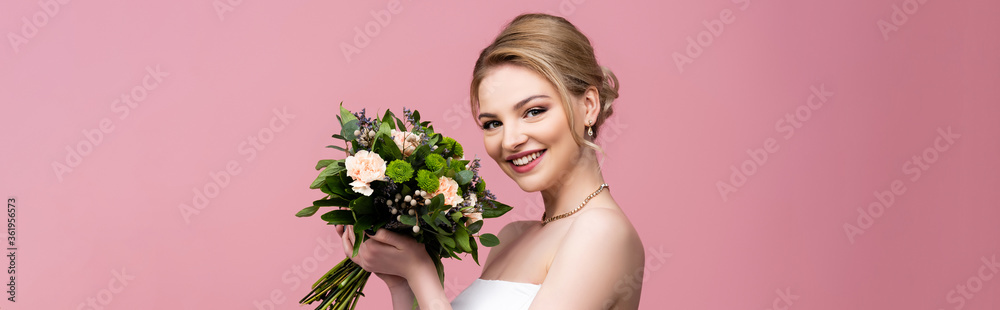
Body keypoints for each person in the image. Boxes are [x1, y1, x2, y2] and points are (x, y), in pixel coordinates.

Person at [334, 13, 645, 309]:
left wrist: (421, 274)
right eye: (493, 123)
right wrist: (402, 283)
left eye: (534, 111)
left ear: (588, 106)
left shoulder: (603, 232)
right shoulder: (511, 238)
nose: (510, 141)